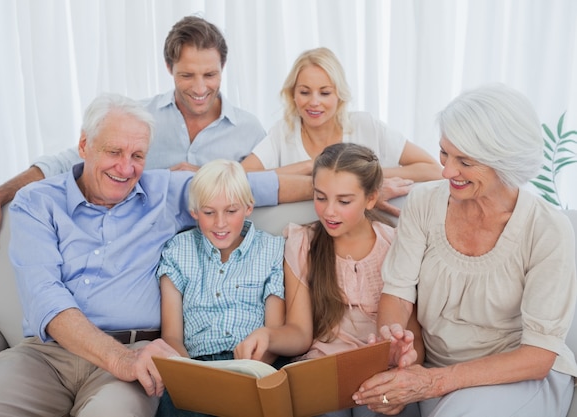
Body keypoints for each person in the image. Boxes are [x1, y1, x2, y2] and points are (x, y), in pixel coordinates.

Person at [0, 93, 310, 417]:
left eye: (137, 156)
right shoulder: (37, 202)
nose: (126, 169)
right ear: (84, 145)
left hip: (136, 359)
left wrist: (344, 189)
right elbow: (45, 296)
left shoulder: (162, 192)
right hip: (47, 357)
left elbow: (255, 188)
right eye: (114, 152)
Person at [0, 15, 266, 267]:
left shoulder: (249, 130)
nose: (200, 88)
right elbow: (66, 163)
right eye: (187, 75)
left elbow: (263, 191)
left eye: (210, 75)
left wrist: (202, 179)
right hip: (141, 263)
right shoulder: (139, 119)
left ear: (223, 69)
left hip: (213, 267)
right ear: (168, 68)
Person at [353, 84, 577, 417]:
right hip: (435, 371)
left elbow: (538, 356)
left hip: (518, 378)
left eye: (465, 161)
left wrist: (432, 383)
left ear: (505, 161)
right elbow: (398, 293)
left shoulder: (548, 230)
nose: (446, 171)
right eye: (444, 153)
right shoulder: (424, 202)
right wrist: (395, 345)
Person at [237, 143, 422, 417]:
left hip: (379, 371)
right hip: (322, 371)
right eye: (320, 197)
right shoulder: (303, 244)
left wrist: (407, 363)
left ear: (371, 198)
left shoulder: (394, 244)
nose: (329, 212)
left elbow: (414, 335)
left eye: (344, 201)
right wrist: (268, 335)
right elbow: (300, 333)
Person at [240, 47, 443, 216]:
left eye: (325, 92)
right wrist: (308, 166)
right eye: (304, 92)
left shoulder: (365, 125)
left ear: (340, 95)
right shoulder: (283, 133)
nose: (314, 102)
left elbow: (433, 169)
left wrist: (362, 176)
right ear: (293, 94)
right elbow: (239, 180)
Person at [156, 159, 286, 416]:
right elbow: (171, 336)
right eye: (208, 212)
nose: (220, 223)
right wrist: (191, 375)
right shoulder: (178, 250)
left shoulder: (271, 250)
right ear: (194, 212)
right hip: (195, 365)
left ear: (249, 207)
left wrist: (246, 371)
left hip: (253, 365)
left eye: (231, 211)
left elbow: (273, 332)